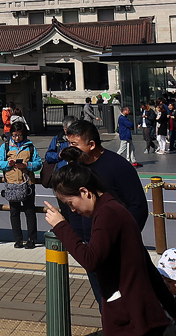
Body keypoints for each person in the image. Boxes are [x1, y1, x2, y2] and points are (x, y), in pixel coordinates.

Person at [43, 164, 176, 336]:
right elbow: (147, 266)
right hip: (139, 317)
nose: (73, 210)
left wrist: (61, 227)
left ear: (84, 192)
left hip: (130, 319)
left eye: (71, 203)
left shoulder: (107, 214)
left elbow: (91, 260)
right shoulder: (112, 209)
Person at [64, 119, 149, 304]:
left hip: (119, 250)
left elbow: (138, 207)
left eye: (74, 144)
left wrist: (124, 239)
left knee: (128, 302)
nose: (69, 148)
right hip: (91, 249)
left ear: (91, 144)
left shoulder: (118, 166)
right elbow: (74, 207)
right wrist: (80, 239)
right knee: (105, 303)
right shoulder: (76, 168)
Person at [0, 122, 41, 248]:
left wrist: (27, 165)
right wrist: (8, 164)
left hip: (27, 183)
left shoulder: (30, 146)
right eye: (14, 135)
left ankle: (31, 239)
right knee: (14, 212)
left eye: (19, 135)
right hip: (12, 184)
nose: (17, 138)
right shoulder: (5, 147)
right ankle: (18, 239)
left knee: (29, 211)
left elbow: (38, 163)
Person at [42, 115, 76, 184]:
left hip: (76, 174)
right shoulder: (58, 139)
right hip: (60, 174)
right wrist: (58, 155)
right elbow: (48, 156)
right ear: (64, 128)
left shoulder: (79, 139)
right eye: (66, 129)